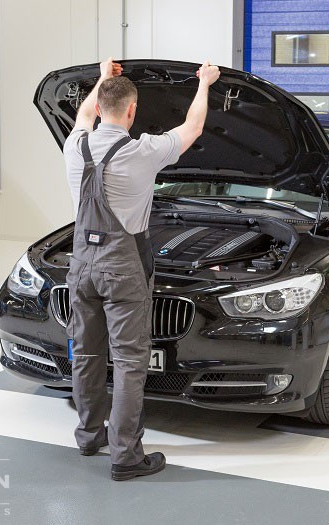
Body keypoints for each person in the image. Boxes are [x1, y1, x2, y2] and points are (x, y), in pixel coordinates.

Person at [62, 57, 220, 481]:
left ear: (99, 108)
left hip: (81, 265)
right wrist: (204, 83)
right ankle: (126, 456)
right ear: (131, 112)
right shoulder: (142, 150)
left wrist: (101, 78)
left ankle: (89, 434)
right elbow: (193, 129)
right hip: (122, 267)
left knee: (88, 352)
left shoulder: (74, 144)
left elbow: (81, 115)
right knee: (131, 361)